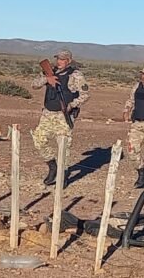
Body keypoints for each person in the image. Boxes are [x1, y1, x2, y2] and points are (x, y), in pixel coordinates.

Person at [30, 49, 90, 186]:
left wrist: (72, 104)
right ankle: (52, 166)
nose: (59, 62)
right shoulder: (49, 71)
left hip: (63, 116)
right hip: (47, 114)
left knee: (63, 147)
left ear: (68, 61)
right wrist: (47, 79)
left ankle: (63, 175)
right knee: (38, 140)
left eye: (62, 59)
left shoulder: (76, 76)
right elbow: (34, 85)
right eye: (58, 59)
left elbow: (86, 94)